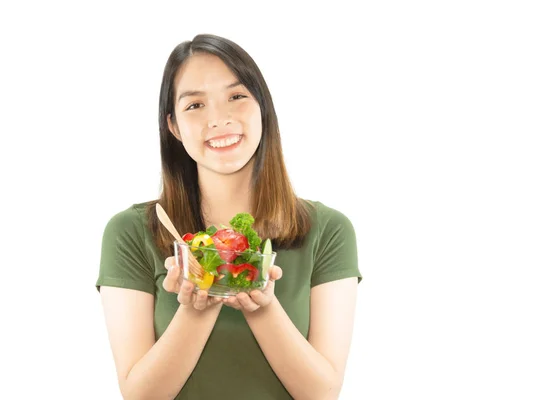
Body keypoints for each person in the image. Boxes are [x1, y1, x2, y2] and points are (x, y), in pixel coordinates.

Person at [96, 33, 363, 400]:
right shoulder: (130, 232)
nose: (219, 119)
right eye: (195, 106)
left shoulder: (328, 231)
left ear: (262, 108)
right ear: (173, 126)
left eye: (236, 97)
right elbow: (140, 395)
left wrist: (262, 307)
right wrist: (196, 308)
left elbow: (321, 393)